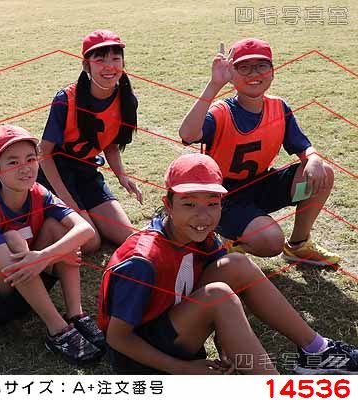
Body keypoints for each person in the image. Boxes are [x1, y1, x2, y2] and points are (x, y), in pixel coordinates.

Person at [98, 153, 358, 374]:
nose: (203, 216)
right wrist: (183, 369)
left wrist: (227, 343)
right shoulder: (143, 261)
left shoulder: (199, 235)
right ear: (168, 205)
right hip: (138, 360)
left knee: (236, 264)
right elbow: (118, 338)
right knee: (218, 296)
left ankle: (315, 350)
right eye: (189, 204)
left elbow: (227, 281)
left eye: (212, 204)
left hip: (174, 326)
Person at [179, 38, 339, 265]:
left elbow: (302, 146)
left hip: (261, 185)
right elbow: (187, 134)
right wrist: (214, 85)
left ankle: (298, 245)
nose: (253, 73)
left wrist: (313, 157)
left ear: (272, 72)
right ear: (231, 75)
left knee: (323, 173)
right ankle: (227, 240)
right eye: (244, 67)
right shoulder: (222, 111)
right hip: (223, 196)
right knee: (271, 241)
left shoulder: (278, 107)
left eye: (261, 66)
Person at [0, 124, 105, 365]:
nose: (25, 167)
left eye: (30, 158)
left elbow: (85, 229)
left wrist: (46, 256)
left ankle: (75, 315)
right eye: (13, 162)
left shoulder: (39, 192)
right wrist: (53, 256)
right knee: (13, 239)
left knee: (59, 229)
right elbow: (13, 266)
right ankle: (58, 331)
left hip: (28, 291)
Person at [37, 29, 142, 253]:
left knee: (127, 235)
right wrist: (65, 198)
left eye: (115, 58)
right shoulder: (66, 99)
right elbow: (43, 153)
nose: (109, 66)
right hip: (55, 173)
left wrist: (122, 177)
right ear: (86, 66)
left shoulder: (126, 99)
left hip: (86, 172)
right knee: (90, 242)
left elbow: (111, 145)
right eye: (100, 59)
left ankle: (83, 214)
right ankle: (47, 219)